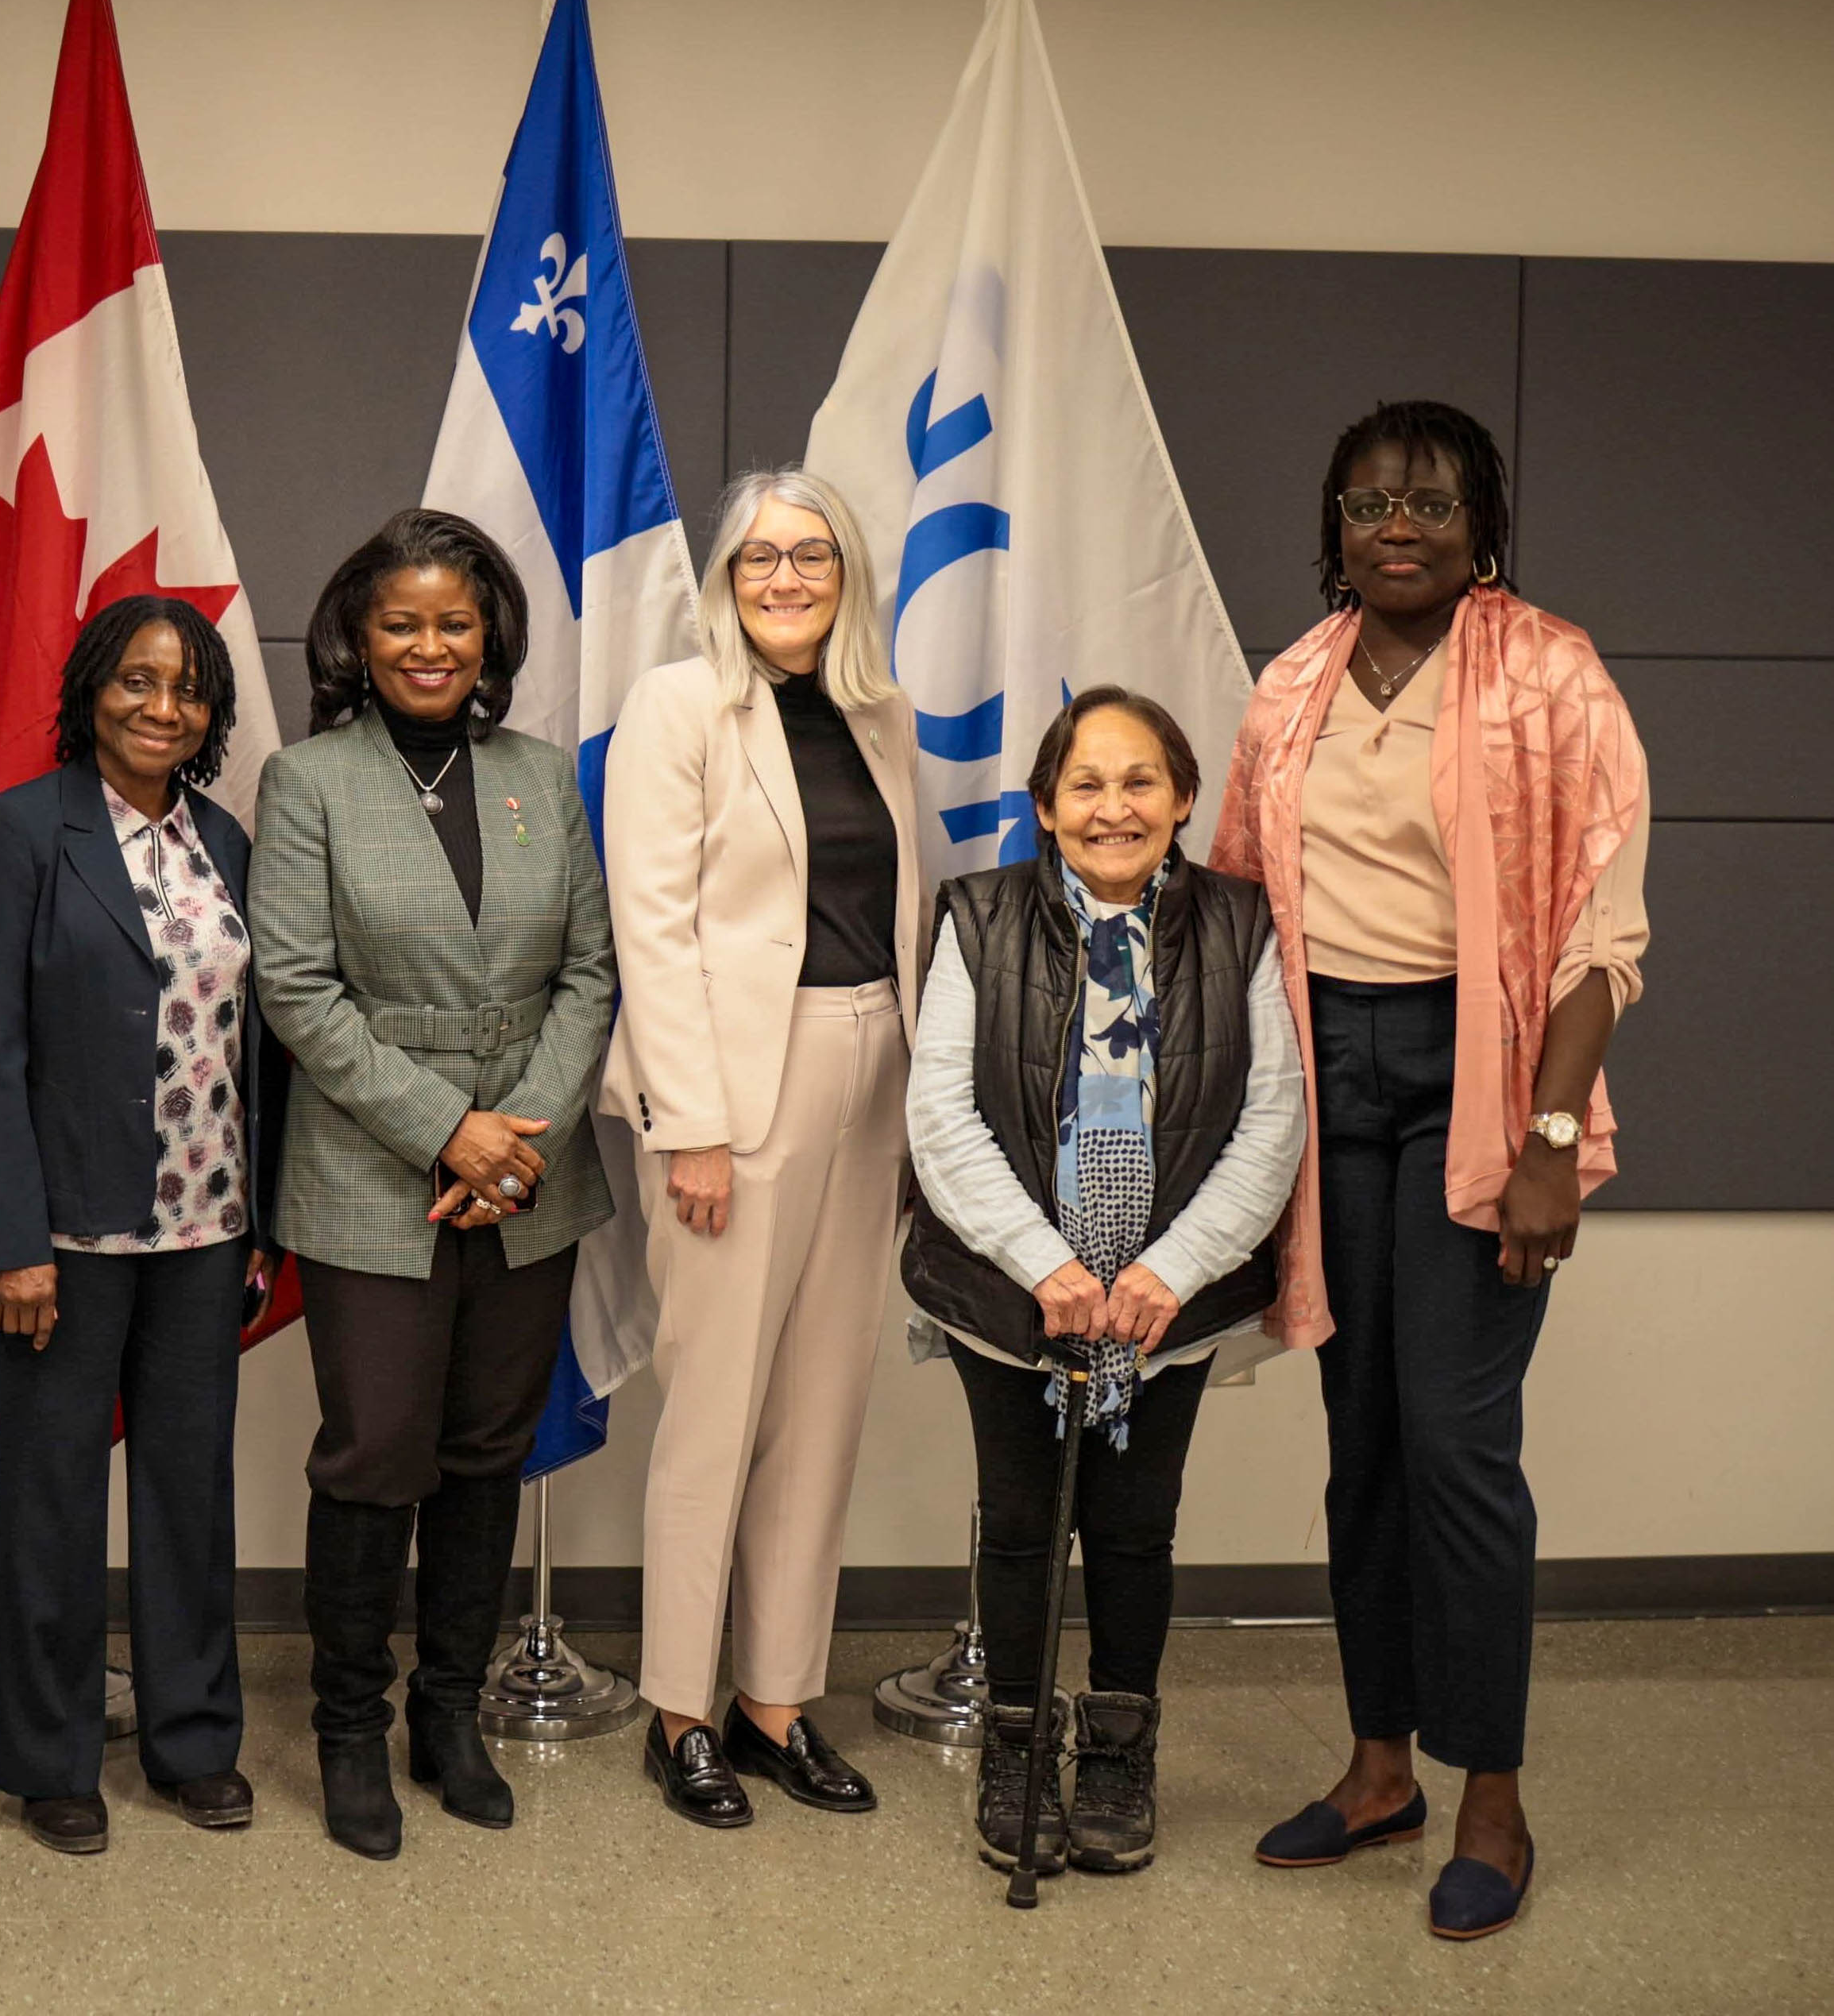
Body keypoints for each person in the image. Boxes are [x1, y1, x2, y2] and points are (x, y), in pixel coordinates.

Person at [1217, 400, 1648, 1941]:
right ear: (1332, 522)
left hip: (1480, 1083)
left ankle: (1492, 1798)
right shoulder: (1289, 687)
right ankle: (1379, 1765)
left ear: (1484, 527)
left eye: (1433, 503)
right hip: (1324, 1078)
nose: (1398, 526)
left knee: (1459, 1447)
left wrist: (1548, 1139)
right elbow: (1237, 909)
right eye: (1369, 503)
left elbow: (1606, 929)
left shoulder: (1551, 670)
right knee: (1365, 1442)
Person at [250, 508, 616, 1861]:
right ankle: (350, 1727)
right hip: (370, 1180)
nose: (427, 644)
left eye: (453, 622)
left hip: (533, 1183)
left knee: (484, 1454)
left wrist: (517, 1138)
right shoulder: (308, 782)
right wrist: (448, 1131)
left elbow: (588, 969)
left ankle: (445, 1715)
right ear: (358, 633)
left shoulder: (538, 773)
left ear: (489, 637)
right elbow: (294, 987)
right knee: (375, 1455)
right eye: (400, 621)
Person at [902, 687, 1304, 1879]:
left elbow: (1274, 1119)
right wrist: (1050, 1269)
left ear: (1184, 801)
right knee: (1022, 1528)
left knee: (1135, 1531)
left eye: (1141, 783)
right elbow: (941, 1115)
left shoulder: (1246, 925)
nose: (1114, 806)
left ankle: (1121, 1746)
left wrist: (1167, 1274)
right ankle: (1019, 1747)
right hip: (1015, 1299)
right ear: (1044, 805)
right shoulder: (976, 917)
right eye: (1086, 783)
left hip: (1164, 1312)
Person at [598, 470, 923, 1830]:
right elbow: (652, 928)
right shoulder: (679, 708)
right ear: (726, 578)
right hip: (740, 1086)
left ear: (847, 570)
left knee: (821, 1408)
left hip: (873, 1075)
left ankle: (777, 1700)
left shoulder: (879, 714)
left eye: (813, 555)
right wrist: (698, 1130)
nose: (787, 578)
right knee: (717, 1409)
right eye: (759, 559)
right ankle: (681, 1709)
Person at [0, 595, 283, 1856]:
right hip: (68, 1240)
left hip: (207, 1228)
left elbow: (262, 1038)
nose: (163, 706)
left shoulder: (229, 843)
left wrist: (263, 1218)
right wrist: (9, 1240)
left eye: (188, 688)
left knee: (190, 1498)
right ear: (93, 687)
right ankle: (51, 1760)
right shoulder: (24, 831)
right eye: (139, 680)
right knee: (49, 1501)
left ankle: (193, 1741)